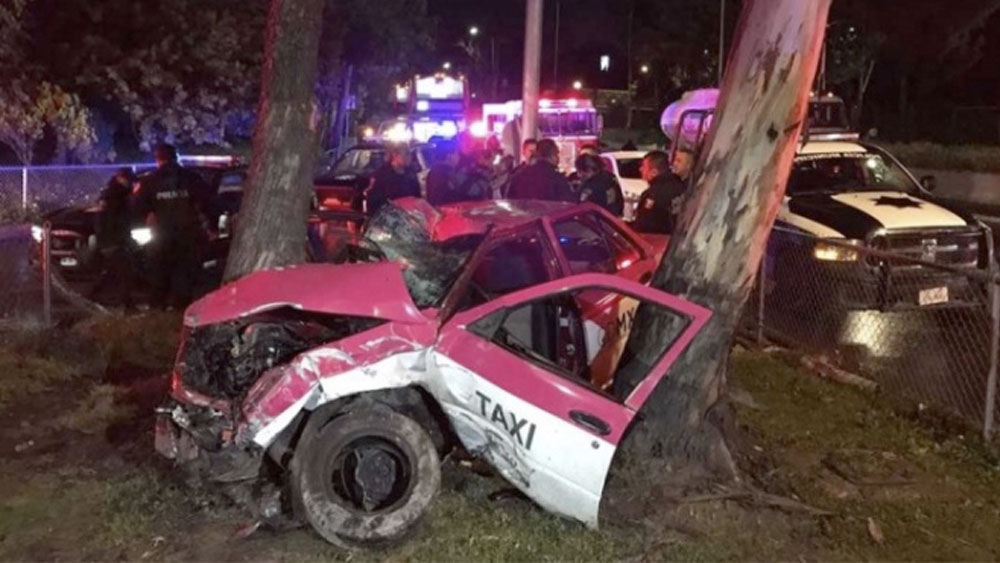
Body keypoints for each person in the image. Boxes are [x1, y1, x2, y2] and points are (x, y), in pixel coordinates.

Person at [133, 144, 212, 309]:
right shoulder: (191, 178)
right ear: (176, 157)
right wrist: (210, 226)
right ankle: (181, 308)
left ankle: (158, 308)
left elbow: (138, 208)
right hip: (187, 234)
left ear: (158, 159)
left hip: (161, 235)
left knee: (159, 273)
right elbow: (208, 202)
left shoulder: (149, 181)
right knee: (184, 273)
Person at [91, 168, 137, 308]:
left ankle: (93, 296)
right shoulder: (116, 196)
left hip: (111, 240)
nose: (131, 184)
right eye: (129, 180)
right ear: (121, 178)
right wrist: (117, 239)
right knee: (125, 271)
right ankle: (125, 303)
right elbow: (114, 220)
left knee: (113, 271)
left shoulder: (112, 194)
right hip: (114, 240)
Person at [633, 149, 688, 234]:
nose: (640, 169)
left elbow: (642, 226)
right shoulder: (682, 188)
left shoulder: (652, 194)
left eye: (643, 166)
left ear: (654, 172)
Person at [506, 139, 575, 202]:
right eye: (557, 154)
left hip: (523, 211)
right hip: (551, 212)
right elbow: (569, 202)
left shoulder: (518, 176)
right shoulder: (556, 178)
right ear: (552, 155)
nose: (558, 158)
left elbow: (510, 200)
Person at [365, 145, 421, 214]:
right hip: (391, 216)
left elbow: (417, 196)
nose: (409, 157)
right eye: (406, 154)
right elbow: (375, 200)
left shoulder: (411, 173)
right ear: (395, 155)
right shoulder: (382, 175)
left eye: (410, 154)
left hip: (409, 215)